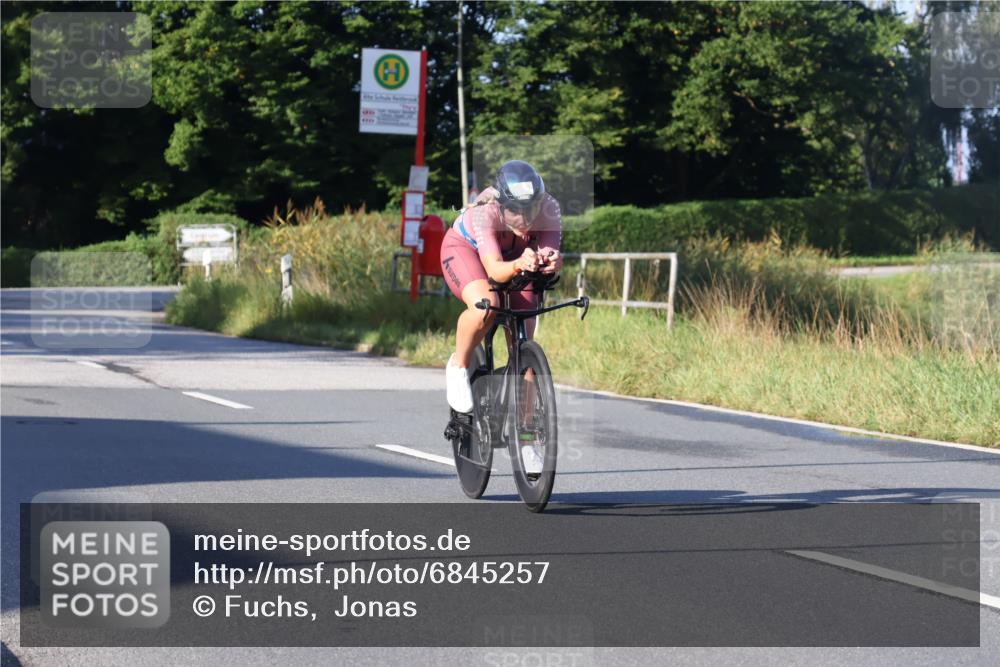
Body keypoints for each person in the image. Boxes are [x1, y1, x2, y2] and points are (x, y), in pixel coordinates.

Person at [439, 161, 563, 472]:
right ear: (502, 204)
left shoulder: (550, 208)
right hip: (467, 252)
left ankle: (527, 437)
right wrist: (521, 262)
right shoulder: (486, 212)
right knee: (486, 306)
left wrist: (552, 262)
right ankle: (459, 365)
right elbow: (495, 270)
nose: (525, 218)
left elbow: (549, 253)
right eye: (516, 211)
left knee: (525, 344)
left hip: (515, 259)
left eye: (531, 208)